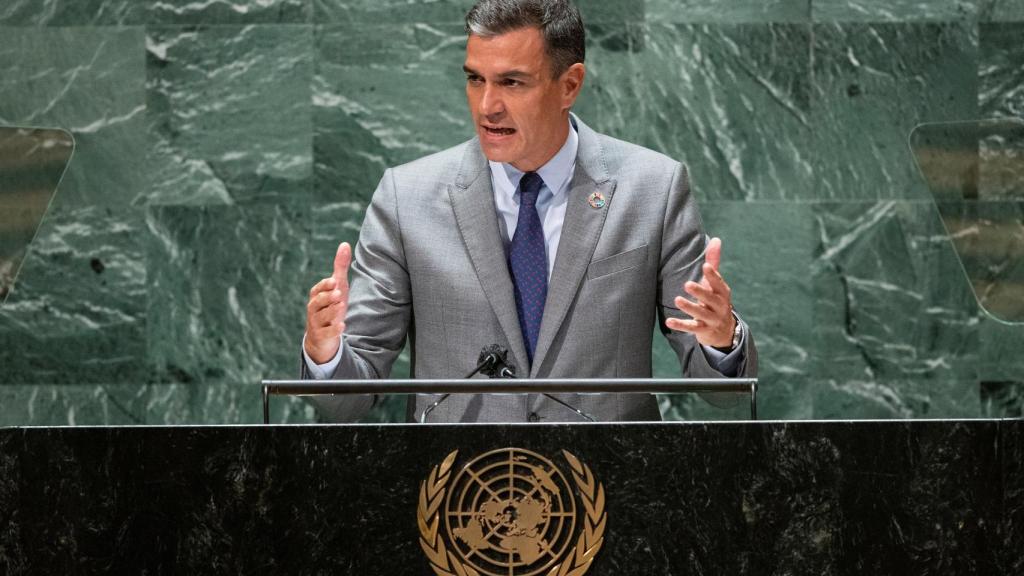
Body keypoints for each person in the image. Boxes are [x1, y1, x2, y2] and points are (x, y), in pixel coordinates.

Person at [301, 0, 757, 423]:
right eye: (475, 78)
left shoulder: (652, 189)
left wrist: (720, 341)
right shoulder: (407, 197)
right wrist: (325, 353)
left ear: (570, 85)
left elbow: (720, 390)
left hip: (612, 487)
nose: (487, 106)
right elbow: (348, 395)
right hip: (459, 494)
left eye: (511, 82)